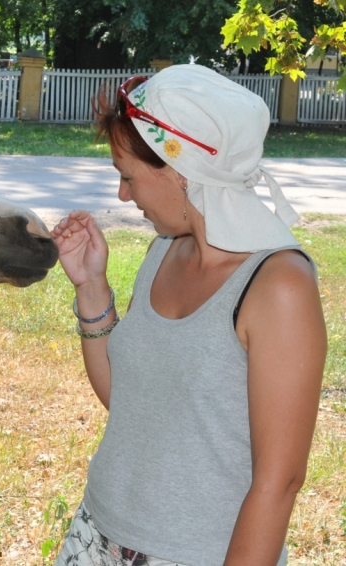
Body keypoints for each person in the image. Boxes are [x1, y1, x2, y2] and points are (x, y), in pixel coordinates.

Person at [50, 64, 327, 566]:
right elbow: (132, 403)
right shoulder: (164, 252)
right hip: (97, 534)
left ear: (181, 170)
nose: (123, 196)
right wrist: (91, 287)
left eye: (127, 177)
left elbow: (279, 481)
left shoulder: (279, 285)